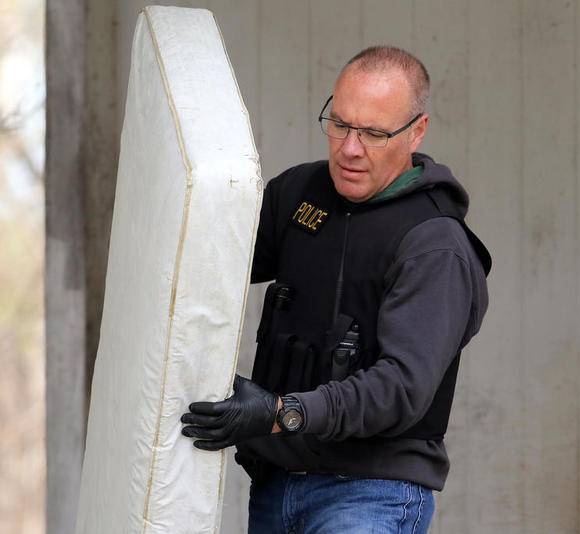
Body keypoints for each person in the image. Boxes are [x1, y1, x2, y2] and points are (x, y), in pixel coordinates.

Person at [180, 45, 490, 533]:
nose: (349, 147)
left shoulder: (434, 245)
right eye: (340, 124)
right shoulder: (297, 195)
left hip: (372, 494)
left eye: (373, 133)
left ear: (417, 132)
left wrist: (280, 414)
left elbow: (401, 389)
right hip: (274, 486)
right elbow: (205, 270)